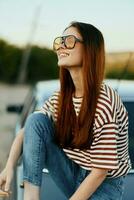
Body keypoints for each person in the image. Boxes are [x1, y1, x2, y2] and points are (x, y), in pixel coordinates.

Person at [0, 21, 131, 200]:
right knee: (35, 120)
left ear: (89, 49)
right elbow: (29, 130)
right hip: (73, 173)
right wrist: (8, 167)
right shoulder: (62, 97)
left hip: (105, 185)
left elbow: (100, 172)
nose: (61, 46)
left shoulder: (105, 100)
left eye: (69, 40)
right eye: (59, 41)